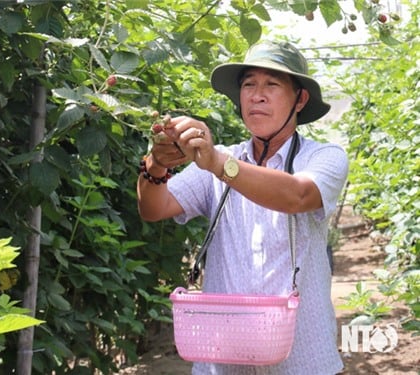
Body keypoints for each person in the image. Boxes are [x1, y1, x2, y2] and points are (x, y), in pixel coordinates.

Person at [137, 40, 349, 375]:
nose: (257, 95)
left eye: (272, 85)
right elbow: (154, 208)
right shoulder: (217, 161)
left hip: (302, 361)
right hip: (222, 361)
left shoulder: (322, 157)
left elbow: (296, 195)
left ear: (300, 99)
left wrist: (220, 164)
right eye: (249, 84)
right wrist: (156, 165)